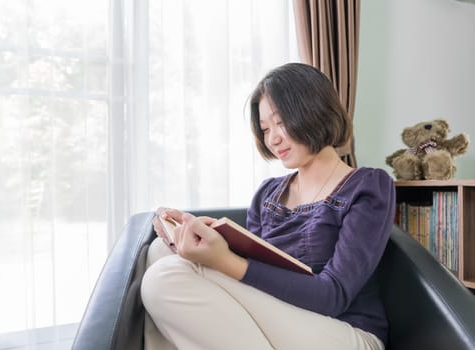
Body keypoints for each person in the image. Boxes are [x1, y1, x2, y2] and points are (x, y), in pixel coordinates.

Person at [141, 62, 396, 350]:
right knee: (161, 252)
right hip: (281, 321)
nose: (273, 138)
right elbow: (257, 279)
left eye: (281, 122)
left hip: (345, 331)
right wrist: (197, 237)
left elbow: (333, 295)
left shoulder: (367, 186)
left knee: (164, 279)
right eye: (265, 128)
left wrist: (223, 260)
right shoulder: (268, 194)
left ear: (315, 111)